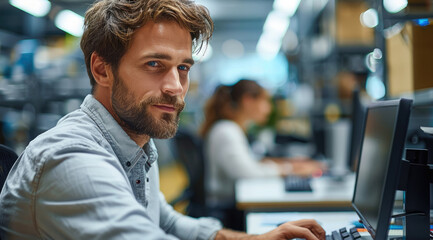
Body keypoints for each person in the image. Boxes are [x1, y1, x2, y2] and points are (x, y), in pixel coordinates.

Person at [0, 0, 325, 239]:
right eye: (155, 64)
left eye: (183, 68)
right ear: (102, 70)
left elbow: (165, 221)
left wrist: (257, 238)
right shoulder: (72, 159)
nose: (176, 87)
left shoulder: (136, 142)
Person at [200, 80, 324, 207]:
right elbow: (248, 174)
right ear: (248, 101)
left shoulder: (231, 129)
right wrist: (290, 170)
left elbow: (252, 163)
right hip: (227, 211)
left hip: (231, 206)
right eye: (266, 101)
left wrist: (291, 164)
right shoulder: (226, 131)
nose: (269, 109)